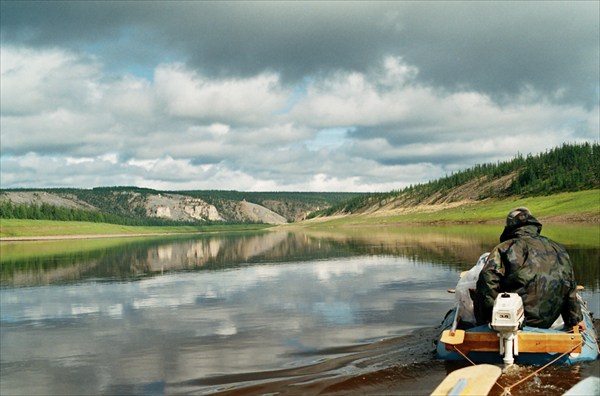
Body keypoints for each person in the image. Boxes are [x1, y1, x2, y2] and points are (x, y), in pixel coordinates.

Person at [473, 207, 583, 329]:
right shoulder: (559, 248)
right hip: (546, 321)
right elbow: (570, 286)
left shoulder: (505, 248)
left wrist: (487, 317)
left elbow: (487, 283)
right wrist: (575, 319)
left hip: (511, 321)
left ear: (509, 227)